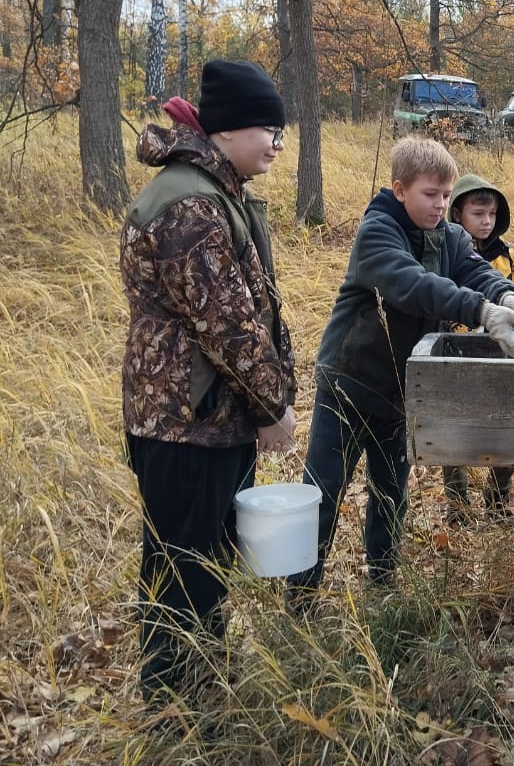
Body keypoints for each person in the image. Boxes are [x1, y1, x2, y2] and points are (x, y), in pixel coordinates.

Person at [286, 137, 514, 604]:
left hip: (404, 388)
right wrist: (479, 310)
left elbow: (473, 269)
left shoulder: (452, 235)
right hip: (350, 382)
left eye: (446, 195)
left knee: (390, 494)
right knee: (323, 492)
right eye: (430, 194)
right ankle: (300, 597)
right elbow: (411, 284)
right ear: (400, 189)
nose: (441, 205)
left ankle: (382, 588)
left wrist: (504, 294)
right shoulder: (377, 231)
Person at [120, 59, 298, 710]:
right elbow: (228, 327)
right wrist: (272, 405)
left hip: (205, 424)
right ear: (226, 129)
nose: (277, 144)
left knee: (205, 572)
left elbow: (249, 309)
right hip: (186, 429)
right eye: (267, 129)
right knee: (182, 580)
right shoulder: (190, 205)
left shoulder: (213, 190)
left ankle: (204, 696)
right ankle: (177, 719)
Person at [442, 174, 514, 523]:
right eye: (478, 213)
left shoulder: (505, 258)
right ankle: (458, 507)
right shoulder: (447, 252)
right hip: (456, 356)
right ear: (458, 213)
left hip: (498, 358)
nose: (486, 221)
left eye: (491, 214)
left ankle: (498, 500)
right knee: (450, 429)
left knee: (505, 426)